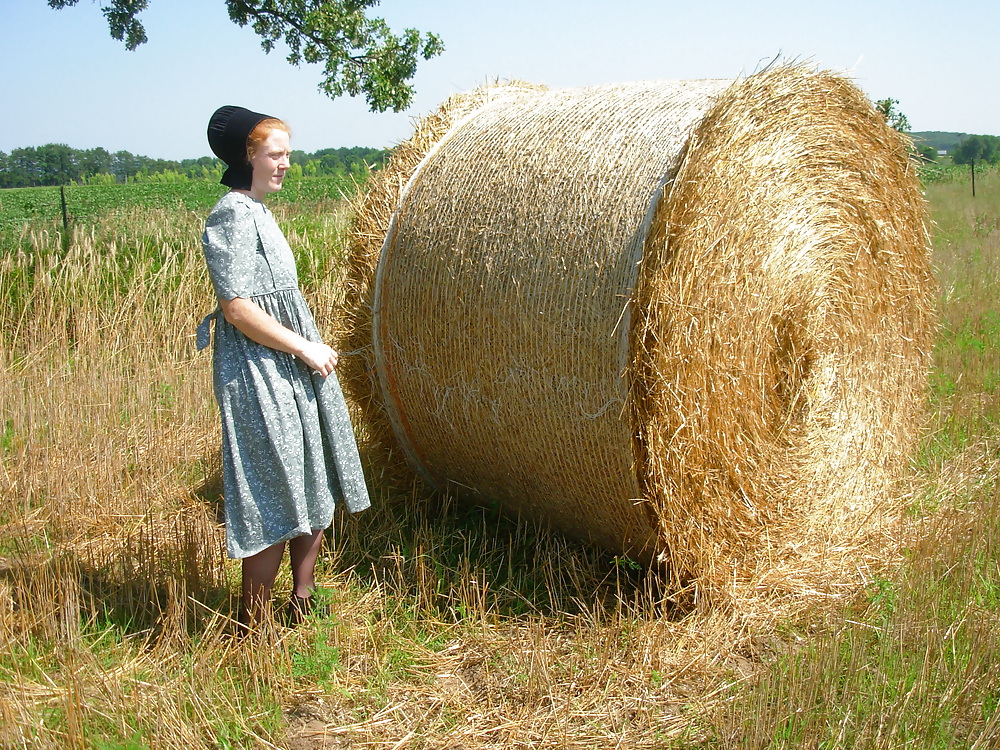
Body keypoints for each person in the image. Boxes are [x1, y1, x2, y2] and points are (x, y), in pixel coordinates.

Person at [197, 105, 370, 632]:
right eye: (276, 154)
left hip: (291, 361)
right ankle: (252, 626)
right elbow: (238, 307)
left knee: (312, 472)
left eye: (287, 154)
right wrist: (304, 347)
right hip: (260, 369)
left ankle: (302, 599)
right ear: (247, 156)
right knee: (276, 486)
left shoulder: (260, 211)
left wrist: (304, 349)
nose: (286, 163)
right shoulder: (230, 213)